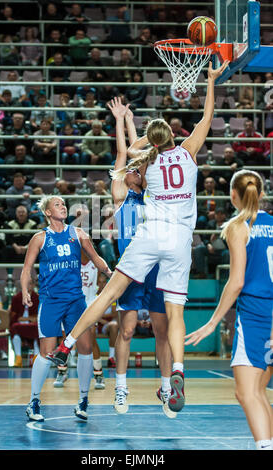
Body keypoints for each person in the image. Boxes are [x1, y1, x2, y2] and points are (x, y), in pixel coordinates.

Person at [46, 60, 229, 416]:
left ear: (153, 142)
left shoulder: (145, 162)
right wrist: (209, 82)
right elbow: (208, 115)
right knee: (175, 315)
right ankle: (177, 371)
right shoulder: (189, 152)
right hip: (179, 240)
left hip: (149, 236)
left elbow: (130, 151)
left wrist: (139, 131)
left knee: (108, 293)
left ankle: (67, 344)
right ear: (174, 138)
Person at [185, 169, 273, 451]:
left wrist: (212, 322)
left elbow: (235, 282)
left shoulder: (238, 226)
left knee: (247, 393)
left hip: (256, 315)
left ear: (232, 195)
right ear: (261, 194)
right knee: (258, 392)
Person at [105, 98, 174, 417]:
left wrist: (136, 124)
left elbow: (146, 152)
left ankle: (166, 387)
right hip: (131, 270)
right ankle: (120, 387)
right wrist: (120, 120)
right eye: (130, 170)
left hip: (157, 268)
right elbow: (125, 154)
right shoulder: (121, 195)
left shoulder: (153, 191)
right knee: (128, 330)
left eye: (138, 168)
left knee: (162, 331)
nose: (134, 170)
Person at [22, 195, 112, 422]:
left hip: (75, 301)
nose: (63, 207)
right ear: (48, 212)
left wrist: (110, 274)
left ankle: (83, 400)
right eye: (57, 204)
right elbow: (26, 269)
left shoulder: (78, 234)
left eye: (63, 204)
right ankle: (33, 401)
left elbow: (96, 258)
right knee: (47, 351)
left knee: (85, 348)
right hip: (51, 300)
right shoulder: (40, 238)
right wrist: (25, 290)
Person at [9, 279, 39, 367]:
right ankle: (18, 358)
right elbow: (14, 316)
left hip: (32, 325)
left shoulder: (37, 298)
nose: (28, 286)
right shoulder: (16, 297)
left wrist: (27, 318)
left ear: (33, 285)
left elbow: (38, 316)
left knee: (37, 330)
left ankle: (36, 358)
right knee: (15, 328)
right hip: (19, 324)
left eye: (30, 284)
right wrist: (24, 319)